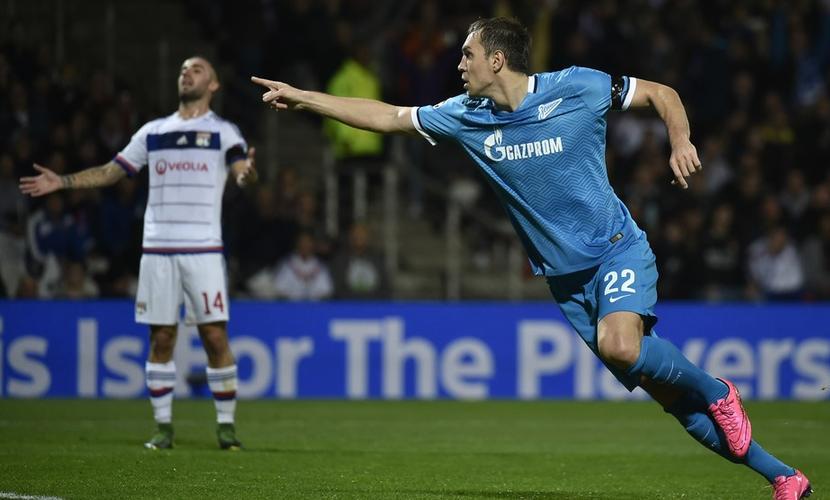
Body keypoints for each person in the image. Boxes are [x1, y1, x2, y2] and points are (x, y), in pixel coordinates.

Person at [252, 17, 812, 499]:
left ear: (497, 60)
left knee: (624, 347)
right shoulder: (465, 115)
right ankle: (784, 477)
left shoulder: (578, 86)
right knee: (670, 399)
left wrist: (681, 140)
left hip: (616, 249)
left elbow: (662, 93)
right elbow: (386, 116)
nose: (459, 64)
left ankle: (718, 390)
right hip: (567, 284)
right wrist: (305, 98)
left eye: (467, 54)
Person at [21, 56, 257, 451]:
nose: (187, 73)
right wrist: (62, 180)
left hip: (203, 249)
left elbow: (240, 169)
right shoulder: (153, 131)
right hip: (158, 250)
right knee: (161, 338)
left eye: (197, 69)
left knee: (215, 336)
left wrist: (247, 173)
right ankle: (163, 428)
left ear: (214, 85)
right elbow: (111, 172)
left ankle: (226, 427)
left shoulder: (223, 131)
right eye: (183, 69)